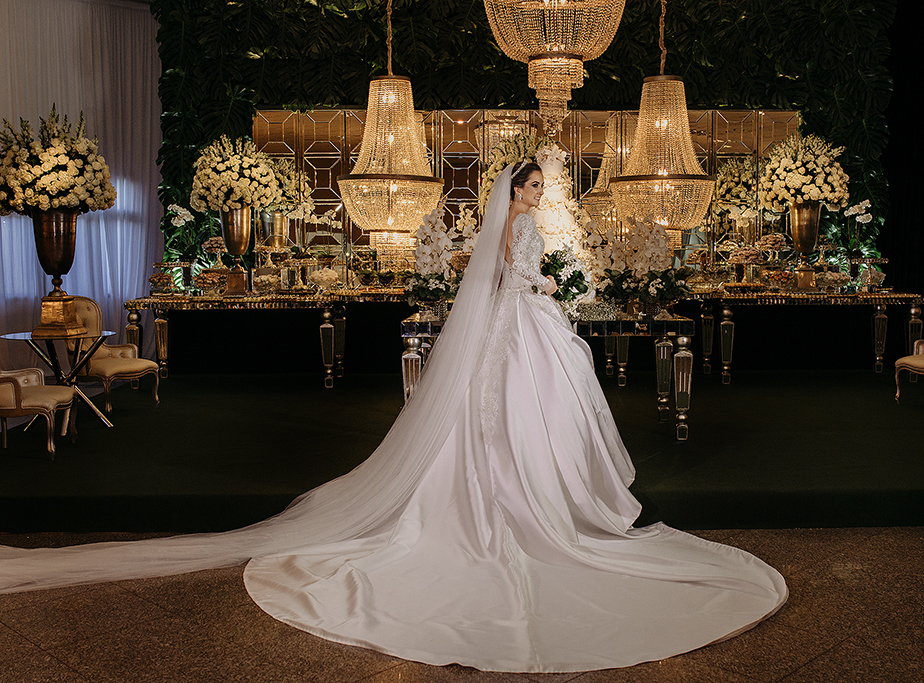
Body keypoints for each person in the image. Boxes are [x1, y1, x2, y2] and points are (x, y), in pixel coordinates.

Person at [0, 161, 786, 673]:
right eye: (531, 187)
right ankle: (533, 502)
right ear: (515, 191)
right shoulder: (517, 228)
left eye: (540, 188)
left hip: (522, 325)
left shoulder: (518, 225)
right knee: (525, 406)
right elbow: (514, 280)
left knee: (531, 404)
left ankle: (537, 492)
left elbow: (504, 276)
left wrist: (544, 284)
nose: (536, 195)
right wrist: (549, 288)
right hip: (525, 322)